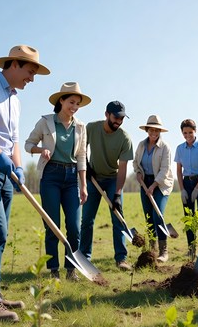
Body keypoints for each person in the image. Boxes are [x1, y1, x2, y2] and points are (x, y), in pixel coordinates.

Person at [0, 45, 50, 322]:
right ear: (13, 65)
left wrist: (20, 166)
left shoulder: (15, 99)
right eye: (30, 72)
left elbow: (13, 140)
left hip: (6, 173)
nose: (31, 79)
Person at [25, 82, 90, 281]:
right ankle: (54, 270)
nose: (74, 107)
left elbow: (81, 157)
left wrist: (83, 185)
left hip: (72, 178)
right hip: (51, 176)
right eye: (71, 102)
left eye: (77, 104)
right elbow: (28, 144)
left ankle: (71, 269)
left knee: (74, 226)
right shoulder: (45, 122)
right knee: (52, 225)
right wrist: (40, 150)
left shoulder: (80, 127)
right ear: (61, 101)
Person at [80, 101, 133, 271]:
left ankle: (121, 258)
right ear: (107, 114)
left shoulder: (124, 138)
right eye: (116, 117)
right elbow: (80, 147)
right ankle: (84, 257)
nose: (119, 121)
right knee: (87, 219)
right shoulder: (92, 128)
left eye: (122, 118)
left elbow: (123, 168)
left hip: (112, 179)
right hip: (93, 177)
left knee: (117, 217)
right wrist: (85, 165)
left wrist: (117, 193)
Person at [133, 115, 173, 262]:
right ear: (147, 130)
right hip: (145, 182)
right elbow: (135, 162)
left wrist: (154, 185)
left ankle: (164, 251)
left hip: (161, 184)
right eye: (151, 130)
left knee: (158, 215)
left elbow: (165, 169)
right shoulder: (141, 145)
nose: (154, 133)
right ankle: (152, 249)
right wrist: (138, 173)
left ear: (160, 132)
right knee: (149, 217)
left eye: (157, 131)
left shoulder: (165, 147)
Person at [174, 119, 198, 257]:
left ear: (195, 131)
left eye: (190, 132)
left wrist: (197, 189)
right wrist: (182, 189)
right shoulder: (179, 148)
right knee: (189, 216)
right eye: (185, 133)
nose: (188, 135)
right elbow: (178, 171)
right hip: (187, 183)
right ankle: (191, 249)